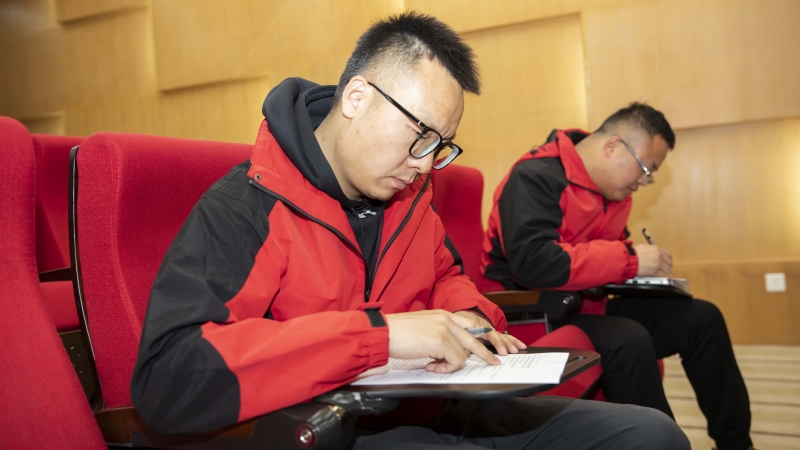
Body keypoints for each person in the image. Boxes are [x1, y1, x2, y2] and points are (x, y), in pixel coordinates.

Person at [131, 13, 688, 449]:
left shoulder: (408, 194)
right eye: (420, 136)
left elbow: (446, 276)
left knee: (651, 434)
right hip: (337, 428)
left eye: (440, 147)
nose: (425, 165)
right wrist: (381, 337)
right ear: (357, 98)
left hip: (444, 407)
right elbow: (170, 380)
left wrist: (470, 318)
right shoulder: (248, 205)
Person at [481, 103, 752, 450]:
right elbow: (533, 263)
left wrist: (650, 276)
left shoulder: (615, 195)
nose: (644, 181)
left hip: (588, 305)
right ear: (613, 146)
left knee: (702, 319)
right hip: (533, 313)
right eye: (646, 169)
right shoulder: (536, 176)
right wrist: (631, 260)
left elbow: (608, 260)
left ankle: (736, 444)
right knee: (629, 338)